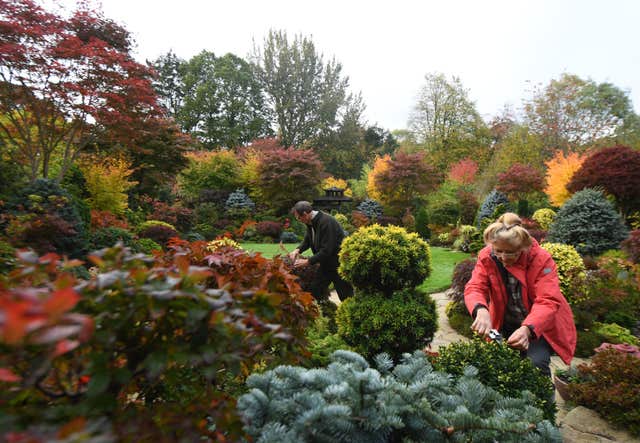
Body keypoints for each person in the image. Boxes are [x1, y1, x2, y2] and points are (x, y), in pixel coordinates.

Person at [464, 212, 577, 376]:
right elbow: (475, 287)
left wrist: (527, 330)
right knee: (497, 364)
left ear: (523, 247)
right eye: (498, 251)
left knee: (535, 364)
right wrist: (480, 309)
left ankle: (542, 399)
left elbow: (548, 300)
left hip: (538, 327)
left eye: (510, 252)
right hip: (506, 321)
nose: (503, 257)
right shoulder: (487, 256)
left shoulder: (541, 259)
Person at [288, 201, 353, 301]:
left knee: (346, 296)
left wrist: (307, 262)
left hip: (338, 265)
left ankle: (353, 315)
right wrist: (298, 250)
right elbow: (308, 240)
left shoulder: (326, 222)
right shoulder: (311, 222)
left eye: (298, 218)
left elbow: (327, 250)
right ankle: (321, 313)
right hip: (326, 264)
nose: (298, 220)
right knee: (314, 291)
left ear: (305, 214)